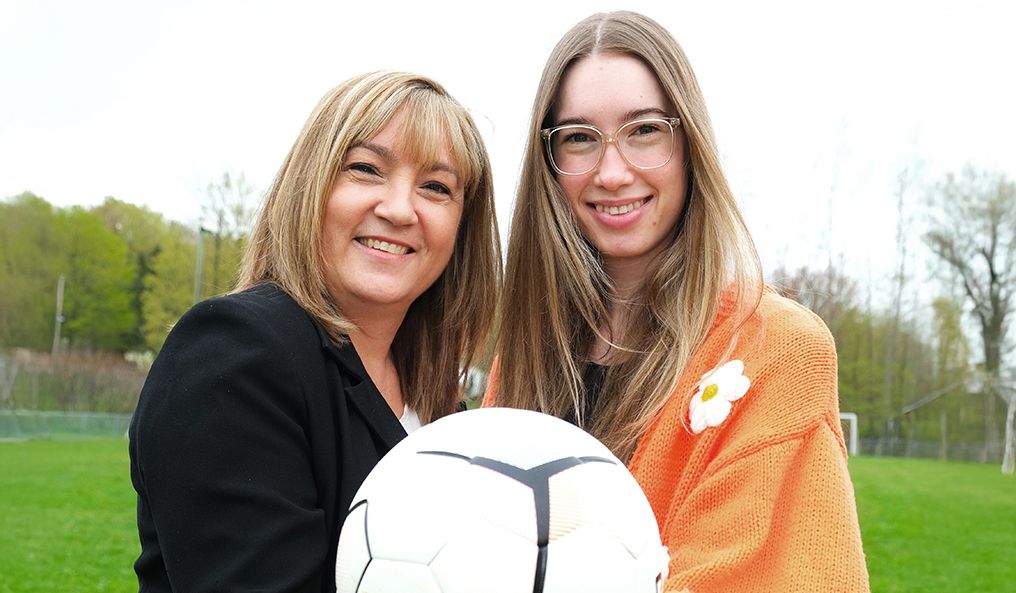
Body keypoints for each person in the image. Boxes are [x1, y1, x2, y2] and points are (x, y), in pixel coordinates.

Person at [484, 11, 869, 593]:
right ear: (549, 164)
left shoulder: (778, 350)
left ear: (689, 145)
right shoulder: (524, 361)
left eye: (644, 130)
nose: (613, 172)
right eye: (579, 138)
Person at [129, 71, 501, 593]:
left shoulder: (442, 404)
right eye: (366, 169)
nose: (399, 209)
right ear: (310, 186)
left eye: (436, 187)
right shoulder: (233, 354)